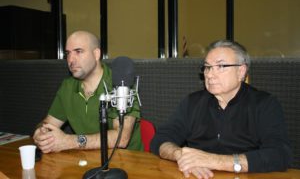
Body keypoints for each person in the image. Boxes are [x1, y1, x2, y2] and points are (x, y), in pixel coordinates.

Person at [150, 40, 292, 178]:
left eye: (221, 66)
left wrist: (214, 161)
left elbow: (280, 155)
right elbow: (160, 139)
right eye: (207, 67)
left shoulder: (264, 104)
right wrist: (181, 155)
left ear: (241, 71)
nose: (210, 74)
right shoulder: (192, 102)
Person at [33, 30, 143, 153]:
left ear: (96, 54)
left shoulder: (121, 84)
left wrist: (69, 141)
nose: (71, 60)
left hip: (127, 162)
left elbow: (121, 138)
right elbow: (48, 123)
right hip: (86, 159)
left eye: (78, 52)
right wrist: (41, 133)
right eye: (68, 53)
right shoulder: (68, 86)